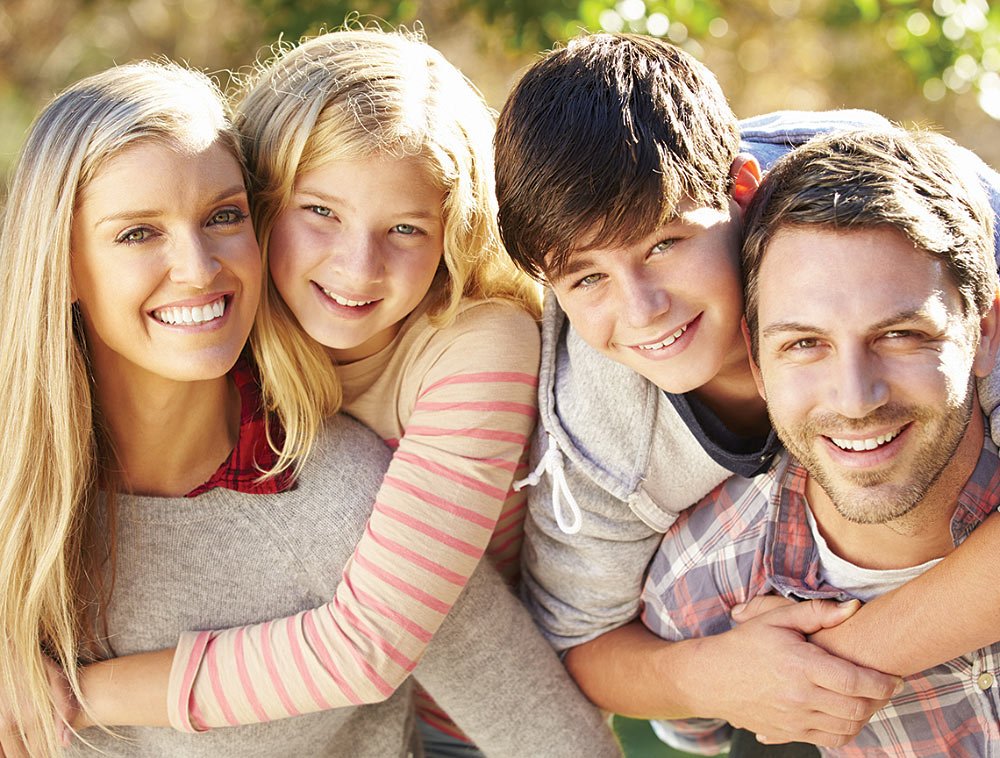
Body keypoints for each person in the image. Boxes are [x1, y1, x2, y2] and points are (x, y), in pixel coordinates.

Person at [0, 58, 618, 757]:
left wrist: (66, 696)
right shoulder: (25, 483)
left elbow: (383, 648)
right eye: (137, 232)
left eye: (221, 216)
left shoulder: (350, 493)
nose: (199, 267)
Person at [494, 31, 1000, 748]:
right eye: (587, 278)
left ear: (740, 189)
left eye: (664, 244)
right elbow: (582, 647)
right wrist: (712, 677)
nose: (643, 309)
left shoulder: (907, 219)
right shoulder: (601, 436)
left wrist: (838, 663)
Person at [643, 126, 1000, 755]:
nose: (854, 398)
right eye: (804, 344)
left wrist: (842, 656)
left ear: (986, 332)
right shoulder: (705, 583)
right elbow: (681, 719)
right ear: (756, 361)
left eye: (900, 335)